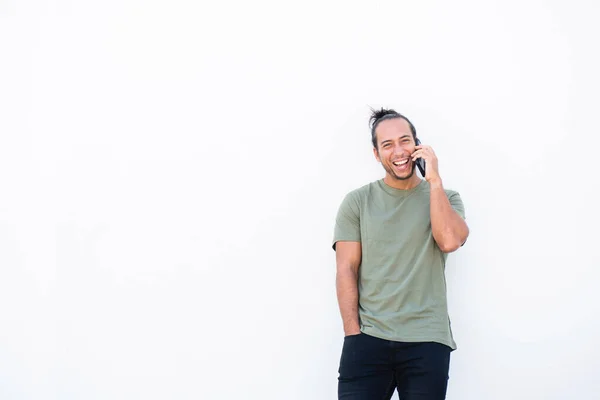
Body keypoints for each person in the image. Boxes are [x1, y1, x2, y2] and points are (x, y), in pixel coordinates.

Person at [332, 108, 469, 400]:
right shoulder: (357, 202)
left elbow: (448, 241)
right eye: (388, 144)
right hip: (368, 340)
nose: (399, 151)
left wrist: (434, 181)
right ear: (376, 154)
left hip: (427, 341)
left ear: (418, 145)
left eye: (405, 141)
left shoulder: (447, 198)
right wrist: (352, 334)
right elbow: (346, 269)